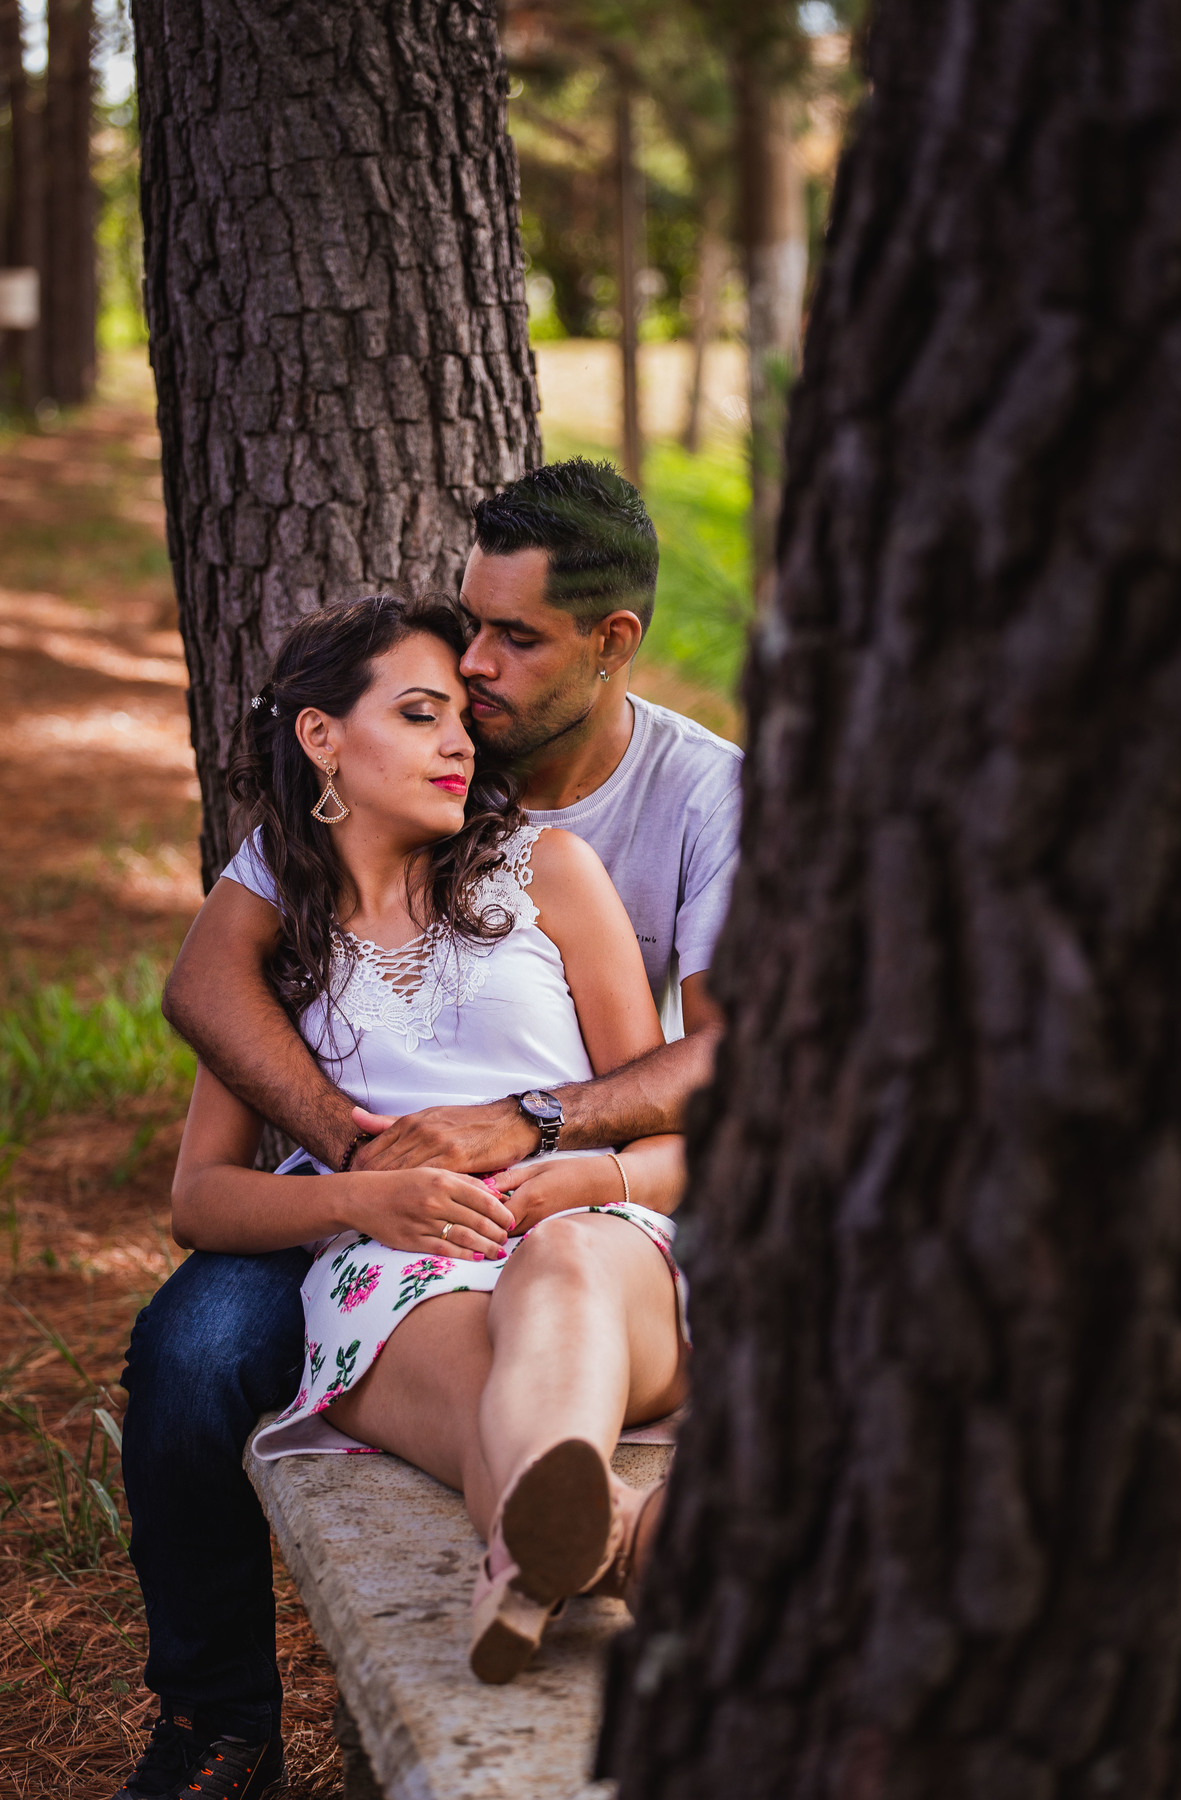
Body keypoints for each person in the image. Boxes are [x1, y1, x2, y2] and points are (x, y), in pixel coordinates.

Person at [116, 460, 742, 1800]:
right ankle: (611, 1551)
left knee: (565, 1263)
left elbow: (724, 1073)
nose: (472, 699)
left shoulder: (588, 850)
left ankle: (566, 1554)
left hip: (584, 1218)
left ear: (609, 643)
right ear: (323, 742)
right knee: (200, 1352)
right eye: (433, 698)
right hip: (393, 1261)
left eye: (505, 654)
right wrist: (360, 1181)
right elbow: (204, 1074)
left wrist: (558, 1153)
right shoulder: (288, 896)